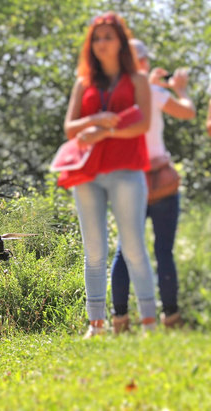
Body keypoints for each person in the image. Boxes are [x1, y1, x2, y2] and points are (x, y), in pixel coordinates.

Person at [61, 12, 156, 337]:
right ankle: (96, 324)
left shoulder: (138, 79)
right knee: (94, 251)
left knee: (133, 247)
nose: (102, 43)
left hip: (127, 171)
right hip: (87, 174)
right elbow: (69, 128)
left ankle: (149, 323)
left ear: (121, 42)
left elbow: (142, 124)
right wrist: (97, 119)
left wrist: (102, 133)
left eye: (108, 37)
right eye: (97, 38)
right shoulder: (83, 82)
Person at [110, 39, 196, 332]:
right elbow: (187, 112)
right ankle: (170, 317)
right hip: (160, 182)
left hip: (127, 182)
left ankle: (120, 319)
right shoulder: (155, 93)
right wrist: (179, 88)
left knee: (125, 250)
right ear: (144, 63)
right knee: (164, 251)